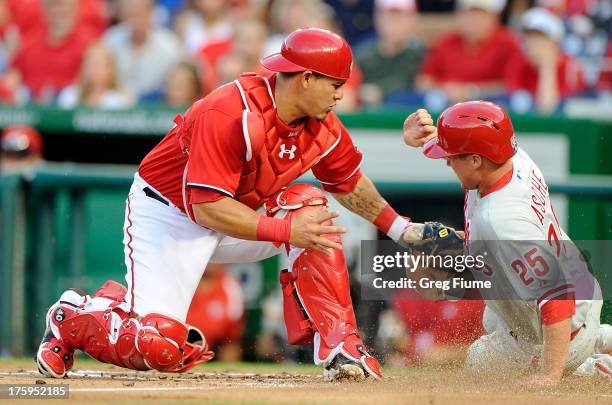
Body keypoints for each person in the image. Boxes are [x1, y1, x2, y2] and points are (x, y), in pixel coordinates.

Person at [35, 28, 462, 382]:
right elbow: (207, 208)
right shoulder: (231, 110)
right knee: (158, 347)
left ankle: (340, 344)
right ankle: (74, 316)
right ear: (307, 78)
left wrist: (401, 230)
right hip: (169, 214)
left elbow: (348, 184)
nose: (340, 96)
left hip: (237, 215)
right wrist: (284, 232)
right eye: (335, 85)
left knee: (309, 207)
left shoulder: (322, 125)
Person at [402, 101, 612, 386]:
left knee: (480, 365)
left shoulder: (502, 219)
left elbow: (556, 298)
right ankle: (599, 337)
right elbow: (466, 145)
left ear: (476, 160)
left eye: (451, 156)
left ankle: (592, 364)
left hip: (563, 318)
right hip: (581, 284)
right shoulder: (511, 158)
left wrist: (549, 375)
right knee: (494, 316)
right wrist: (422, 139)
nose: (447, 161)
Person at [415, 0, 523, 105]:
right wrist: (444, 90)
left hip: (491, 110)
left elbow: (511, 86)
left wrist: (471, 91)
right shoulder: (446, 42)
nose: (474, 21)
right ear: (459, 16)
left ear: (495, 18)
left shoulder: (508, 43)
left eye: (481, 16)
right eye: (469, 15)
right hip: (446, 109)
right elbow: (425, 81)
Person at [507, 7, 587, 114]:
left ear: (555, 43)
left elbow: (547, 110)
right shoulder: (520, 64)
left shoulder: (571, 68)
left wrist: (547, 67)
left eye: (539, 39)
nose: (531, 45)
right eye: (527, 38)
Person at [355, 0, 426, 107]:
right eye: (387, 17)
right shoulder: (362, 54)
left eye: (399, 17)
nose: (393, 24)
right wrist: (359, 92)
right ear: (377, 18)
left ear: (412, 19)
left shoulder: (422, 54)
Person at [186, 264, 244, 362]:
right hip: (176, 349)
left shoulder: (230, 286)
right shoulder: (181, 282)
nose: (212, 261)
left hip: (213, 354)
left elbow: (231, 339)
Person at [57, 43, 135, 109]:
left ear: (111, 69)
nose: (95, 71)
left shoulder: (121, 100)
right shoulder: (70, 95)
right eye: (91, 65)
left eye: (100, 65)